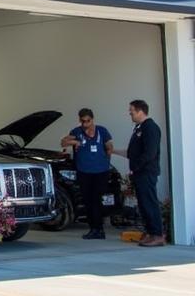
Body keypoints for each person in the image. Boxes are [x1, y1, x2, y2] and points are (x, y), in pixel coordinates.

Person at [60, 108, 115, 239]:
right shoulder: (77, 132)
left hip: (101, 171)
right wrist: (75, 142)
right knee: (88, 200)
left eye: (88, 121)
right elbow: (63, 142)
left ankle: (99, 228)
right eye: (83, 121)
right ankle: (93, 228)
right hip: (84, 172)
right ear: (80, 120)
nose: (86, 124)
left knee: (96, 199)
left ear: (92, 119)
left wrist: (107, 154)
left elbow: (109, 146)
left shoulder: (102, 131)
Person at [126, 99, 165, 247]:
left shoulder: (150, 128)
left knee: (149, 203)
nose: (130, 113)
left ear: (141, 111)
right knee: (143, 204)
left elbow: (150, 153)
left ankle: (157, 234)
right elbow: (134, 152)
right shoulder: (139, 127)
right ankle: (150, 232)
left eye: (132, 111)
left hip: (146, 172)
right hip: (139, 173)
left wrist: (135, 167)